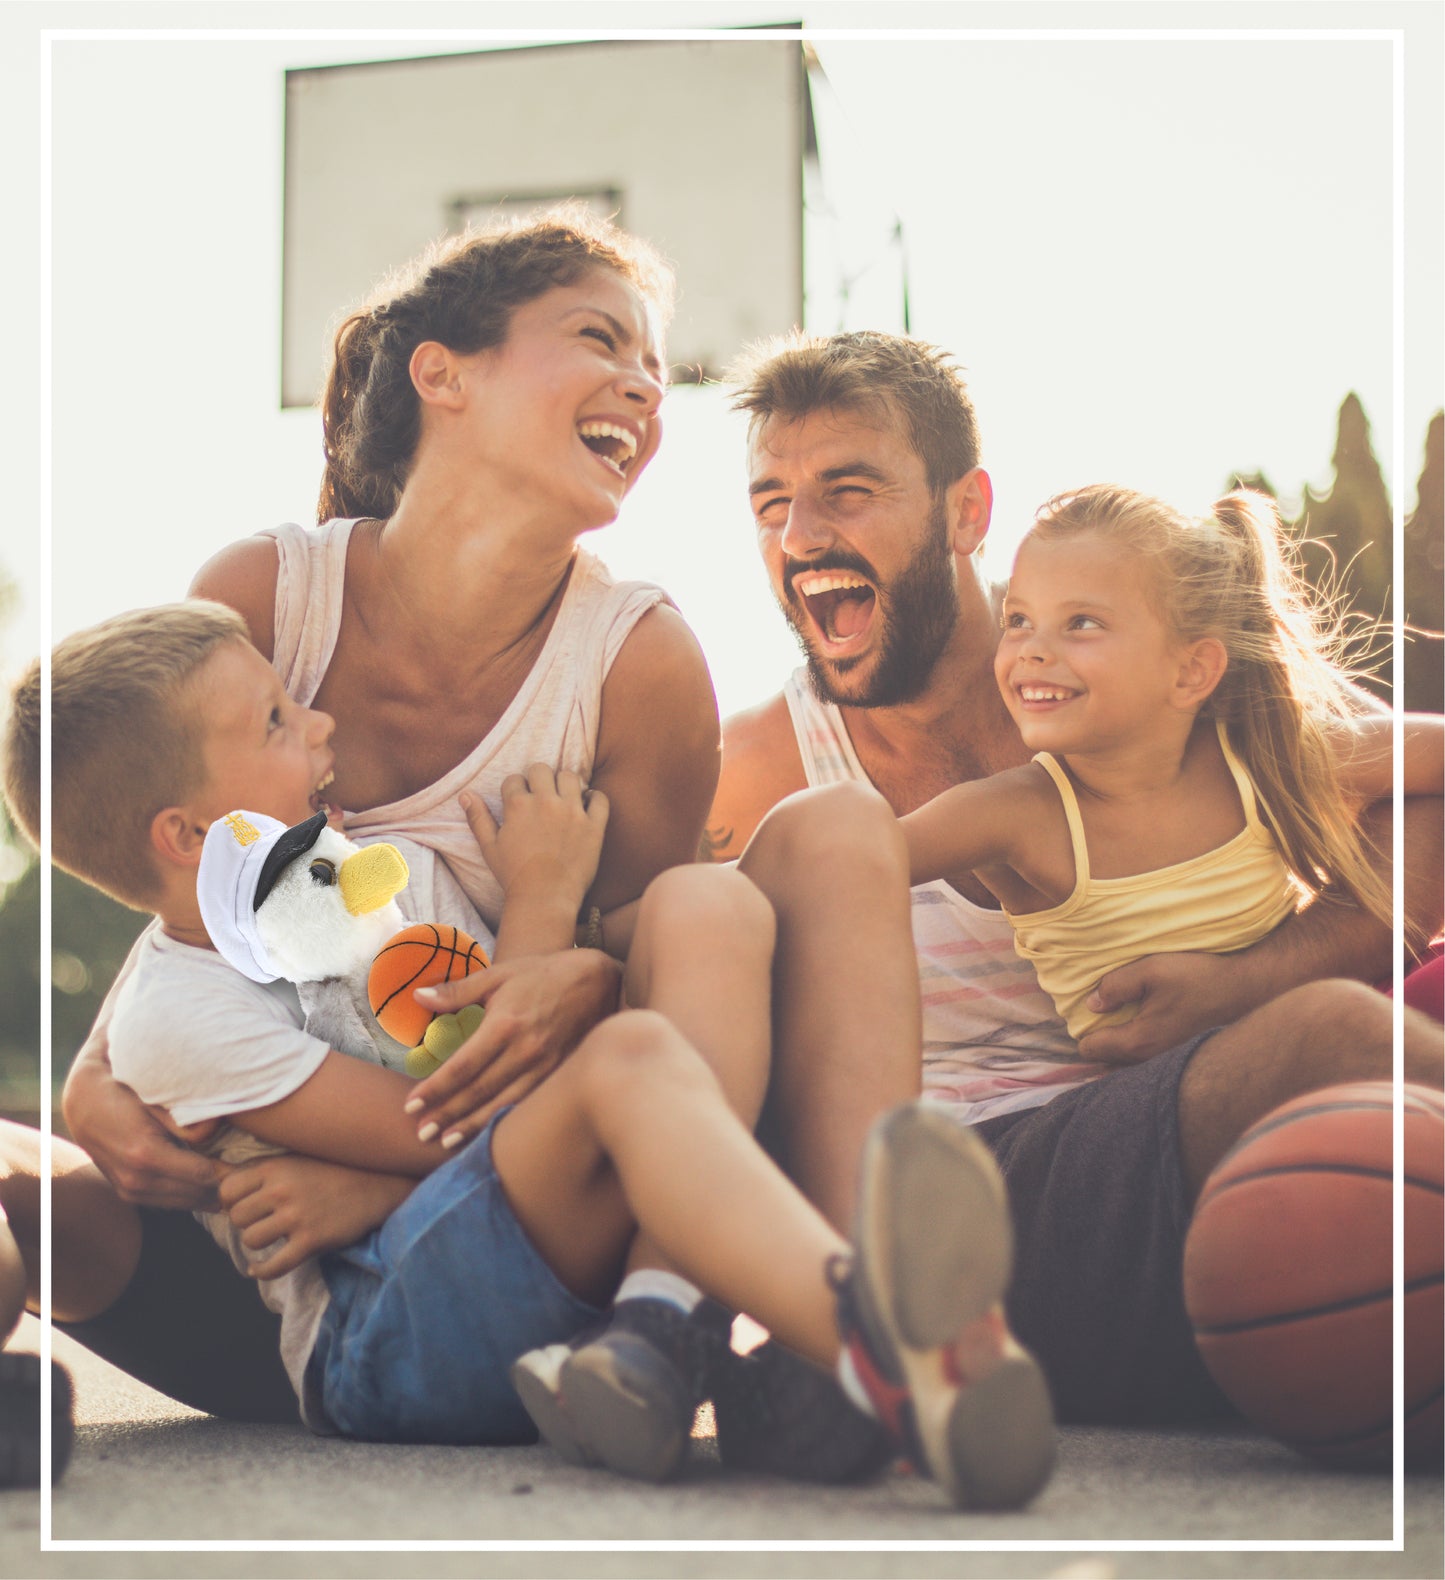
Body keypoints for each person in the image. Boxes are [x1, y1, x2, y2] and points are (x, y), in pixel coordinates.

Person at [2, 599, 1056, 1510]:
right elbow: (462, 1115)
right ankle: (879, 1334)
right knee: (630, 1060)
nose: (319, 721)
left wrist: (582, 946)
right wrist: (545, 901)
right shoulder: (172, 1015)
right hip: (384, 1338)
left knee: (702, 909)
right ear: (188, 836)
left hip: (501, 1251)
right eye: (276, 718)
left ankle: (705, 1329)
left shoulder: (387, 875)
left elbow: (496, 1065)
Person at [707, 330, 1444, 1426]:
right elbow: (666, 949)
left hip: (1183, 1141)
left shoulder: (1133, 675)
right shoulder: (760, 763)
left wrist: (1243, 980)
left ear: (966, 511)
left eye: (845, 491)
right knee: (1338, 1040)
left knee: (1354, 1079)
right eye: (770, 503)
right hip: (969, 1195)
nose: (800, 534)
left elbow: (1408, 778)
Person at [900, 482, 1445, 1042]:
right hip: (1186, 1087)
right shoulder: (1010, 813)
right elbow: (855, 860)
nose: (1032, 649)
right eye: (1017, 619)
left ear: (1191, 672)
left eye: (1082, 622)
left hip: (1332, 1022)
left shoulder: (1255, 762)